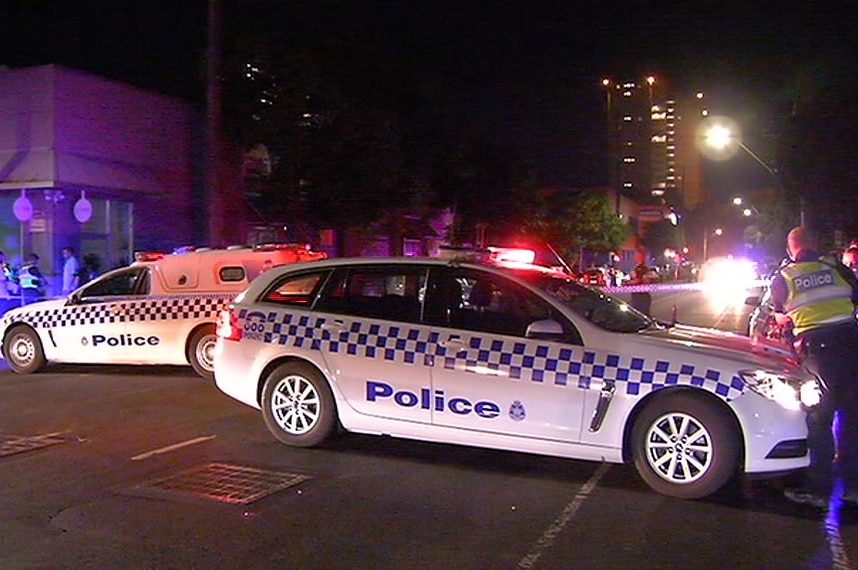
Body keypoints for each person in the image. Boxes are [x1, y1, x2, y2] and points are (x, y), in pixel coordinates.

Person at [772, 227, 858, 508]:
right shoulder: (837, 269)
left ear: (790, 249)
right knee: (852, 417)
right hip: (851, 344)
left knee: (820, 419)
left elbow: (781, 317)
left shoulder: (785, 277)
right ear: (816, 245)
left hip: (818, 352)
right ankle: (854, 487)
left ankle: (819, 490)